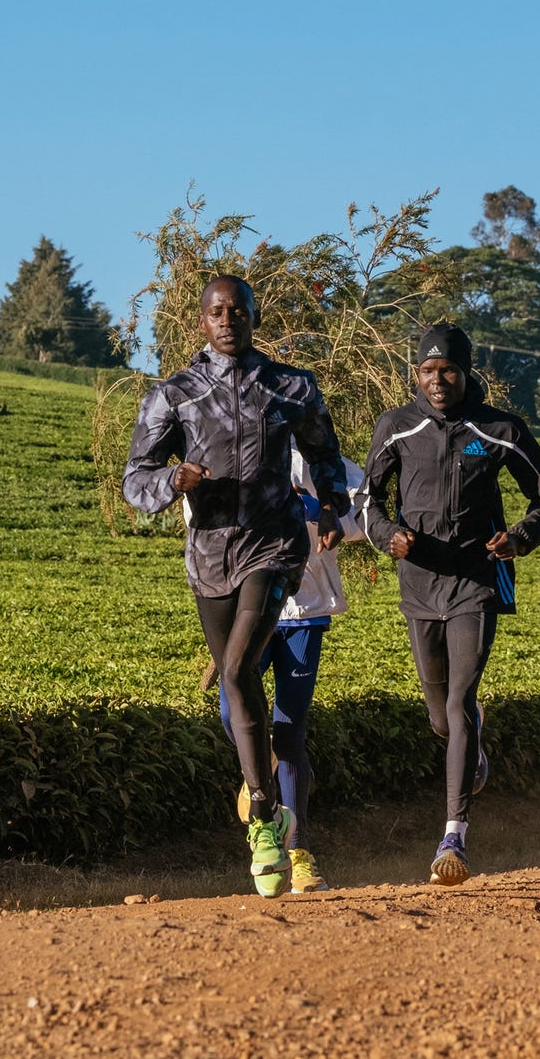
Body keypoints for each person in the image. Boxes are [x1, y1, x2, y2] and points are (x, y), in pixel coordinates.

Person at [123, 275, 349, 898]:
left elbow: (327, 455)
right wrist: (174, 481)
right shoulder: (174, 395)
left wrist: (329, 505)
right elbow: (134, 480)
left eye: (238, 311)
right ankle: (268, 807)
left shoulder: (291, 386)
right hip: (209, 559)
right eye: (217, 312)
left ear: (254, 317)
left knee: (236, 669)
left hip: (275, 548)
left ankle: (266, 824)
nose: (228, 320)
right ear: (202, 322)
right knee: (238, 678)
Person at [365, 324, 540, 886]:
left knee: (460, 700)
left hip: (476, 581)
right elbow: (367, 499)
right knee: (440, 714)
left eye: (448, 370)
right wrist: (386, 535)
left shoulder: (499, 429)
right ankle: (470, 748)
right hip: (419, 584)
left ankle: (454, 838)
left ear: (467, 372)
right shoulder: (398, 427)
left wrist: (520, 536)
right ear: (415, 374)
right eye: (427, 370)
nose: (438, 380)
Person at [217, 448, 369, 893]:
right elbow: (199, 516)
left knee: (289, 731)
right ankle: (259, 772)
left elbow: (365, 506)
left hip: (305, 608)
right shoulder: (226, 448)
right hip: (246, 604)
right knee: (232, 713)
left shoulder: (321, 461)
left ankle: (298, 850)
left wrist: (329, 516)